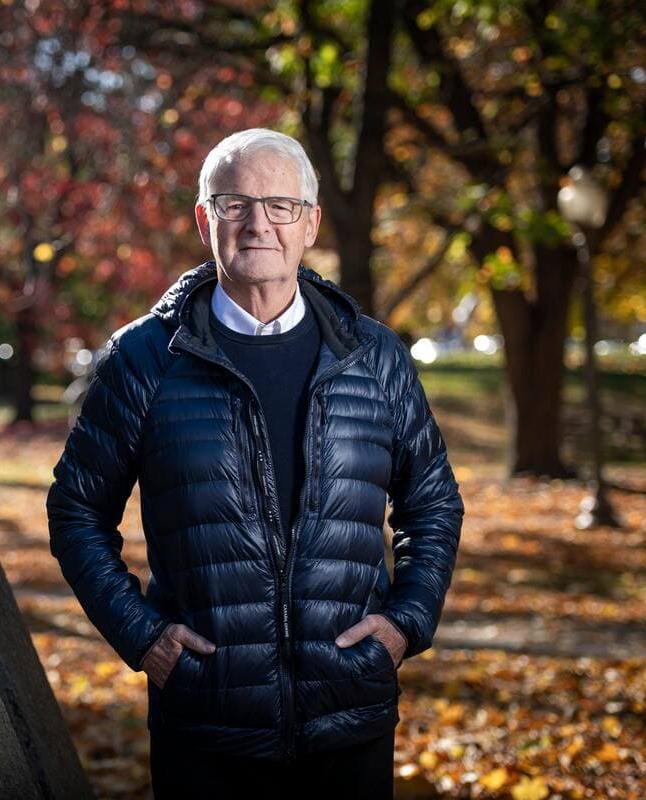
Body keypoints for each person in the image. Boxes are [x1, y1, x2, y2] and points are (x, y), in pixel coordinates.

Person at [47, 128, 463, 797]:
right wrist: (142, 635)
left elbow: (433, 501)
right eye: (235, 204)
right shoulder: (145, 359)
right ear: (204, 220)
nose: (258, 223)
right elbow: (77, 510)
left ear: (311, 224)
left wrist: (407, 622)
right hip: (206, 723)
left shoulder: (375, 356)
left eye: (280, 205)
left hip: (348, 713)